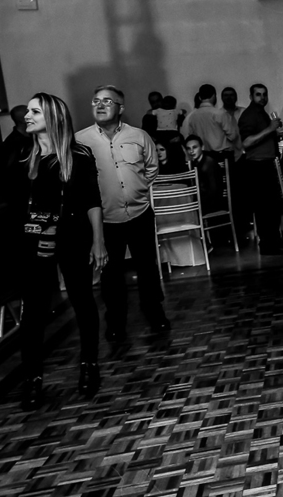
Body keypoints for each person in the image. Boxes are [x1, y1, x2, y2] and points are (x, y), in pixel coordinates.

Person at [15, 94, 106, 408]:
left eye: (35, 111)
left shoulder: (78, 154)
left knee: (82, 301)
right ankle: (32, 378)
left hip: (72, 237)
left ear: (53, 117)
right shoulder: (24, 156)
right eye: (28, 111)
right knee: (33, 311)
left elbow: (92, 199)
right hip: (34, 241)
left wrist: (98, 241)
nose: (27, 116)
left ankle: (89, 365)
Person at [76, 85, 169, 343]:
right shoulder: (80, 141)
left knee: (147, 268)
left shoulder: (139, 136)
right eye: (96, 101)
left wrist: (136, 189)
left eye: (108, 101)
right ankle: (116, 322)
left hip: (140, 213)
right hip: (105, 220)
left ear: (121, 108)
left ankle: (155, 312)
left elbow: (152, 167)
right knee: (110, 274)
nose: (100, 105)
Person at [238, 83, 283, 254]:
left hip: (267, 163)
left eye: (264, 94)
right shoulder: (249, 115)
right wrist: (270, 129)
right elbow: (246, 142)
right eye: (258, 94)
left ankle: (273, 241)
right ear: (251, 96)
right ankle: (267, 244)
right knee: (264, 207)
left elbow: (262, 136)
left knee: (272, 206)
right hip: (258, 165)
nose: (262, 97)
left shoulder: (261, 113)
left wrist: (275, 133)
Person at [181, 84, 241, 160]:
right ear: (214, 96)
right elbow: (233, 136)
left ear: (199, 97)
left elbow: (192, 137)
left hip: (203, 156)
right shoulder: (220, 114)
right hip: (221, 156)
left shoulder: (193, 116)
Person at [185, 134, 225, 214]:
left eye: (194, 147)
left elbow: (213, 190)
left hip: (212, 204)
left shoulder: (209, 163)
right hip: (202, 202)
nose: (191, 151)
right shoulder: (194, 163)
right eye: (188, 148)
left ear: (202, 147)